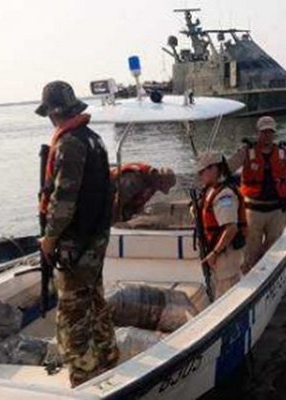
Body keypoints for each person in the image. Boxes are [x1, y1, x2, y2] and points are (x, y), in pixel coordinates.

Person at [36, 81, 119, 387]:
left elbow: (64, 199)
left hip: (76, 244)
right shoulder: (94, 140)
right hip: (94, 239)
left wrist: (49, 238)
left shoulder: (70, 143)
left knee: (71, 319)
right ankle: (109, 362)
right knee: (95, 303)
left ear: (53, 114)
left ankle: (83, 379)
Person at [228, 116, 286, 273]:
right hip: (253, 211)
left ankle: (266, 273)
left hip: (277, 210)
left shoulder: (283, 153)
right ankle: (248, 273)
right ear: (258, 133)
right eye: (264, 132)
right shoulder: (247, 152)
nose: (267, 135)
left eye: (270, 132)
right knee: (251, 249)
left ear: (274, 133)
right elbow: (226, 169)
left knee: (273, 246)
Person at [196, 152, 247, 298]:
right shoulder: (209, 190)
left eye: (202, 171)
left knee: (226, 295)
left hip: (225, 255)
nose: (200, 175)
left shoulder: (225, 195)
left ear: (214, 169)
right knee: (217, 289)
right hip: (217, 253)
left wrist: (215, 253)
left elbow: (231, 228)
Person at [111, 163, 176, 222]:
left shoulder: (153, 182)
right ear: (159, 179)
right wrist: (117, 224)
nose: (158, 189)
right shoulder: (135, 178)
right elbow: (117, 202)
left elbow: (138, 205)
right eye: (161, 187)